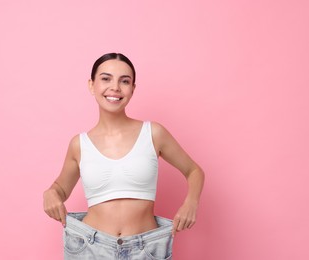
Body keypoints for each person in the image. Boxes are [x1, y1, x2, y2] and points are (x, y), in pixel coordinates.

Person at [43, 53, 205, 259]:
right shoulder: (79, 144)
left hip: (145, 249)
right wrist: (50, 193)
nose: (115, 87)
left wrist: (191, 203)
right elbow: (60, 188)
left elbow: (194, 171)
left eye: (125, 81)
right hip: (91, 249)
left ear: (133, 89)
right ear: (91, 85)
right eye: (106, 78)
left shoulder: (153, 133)